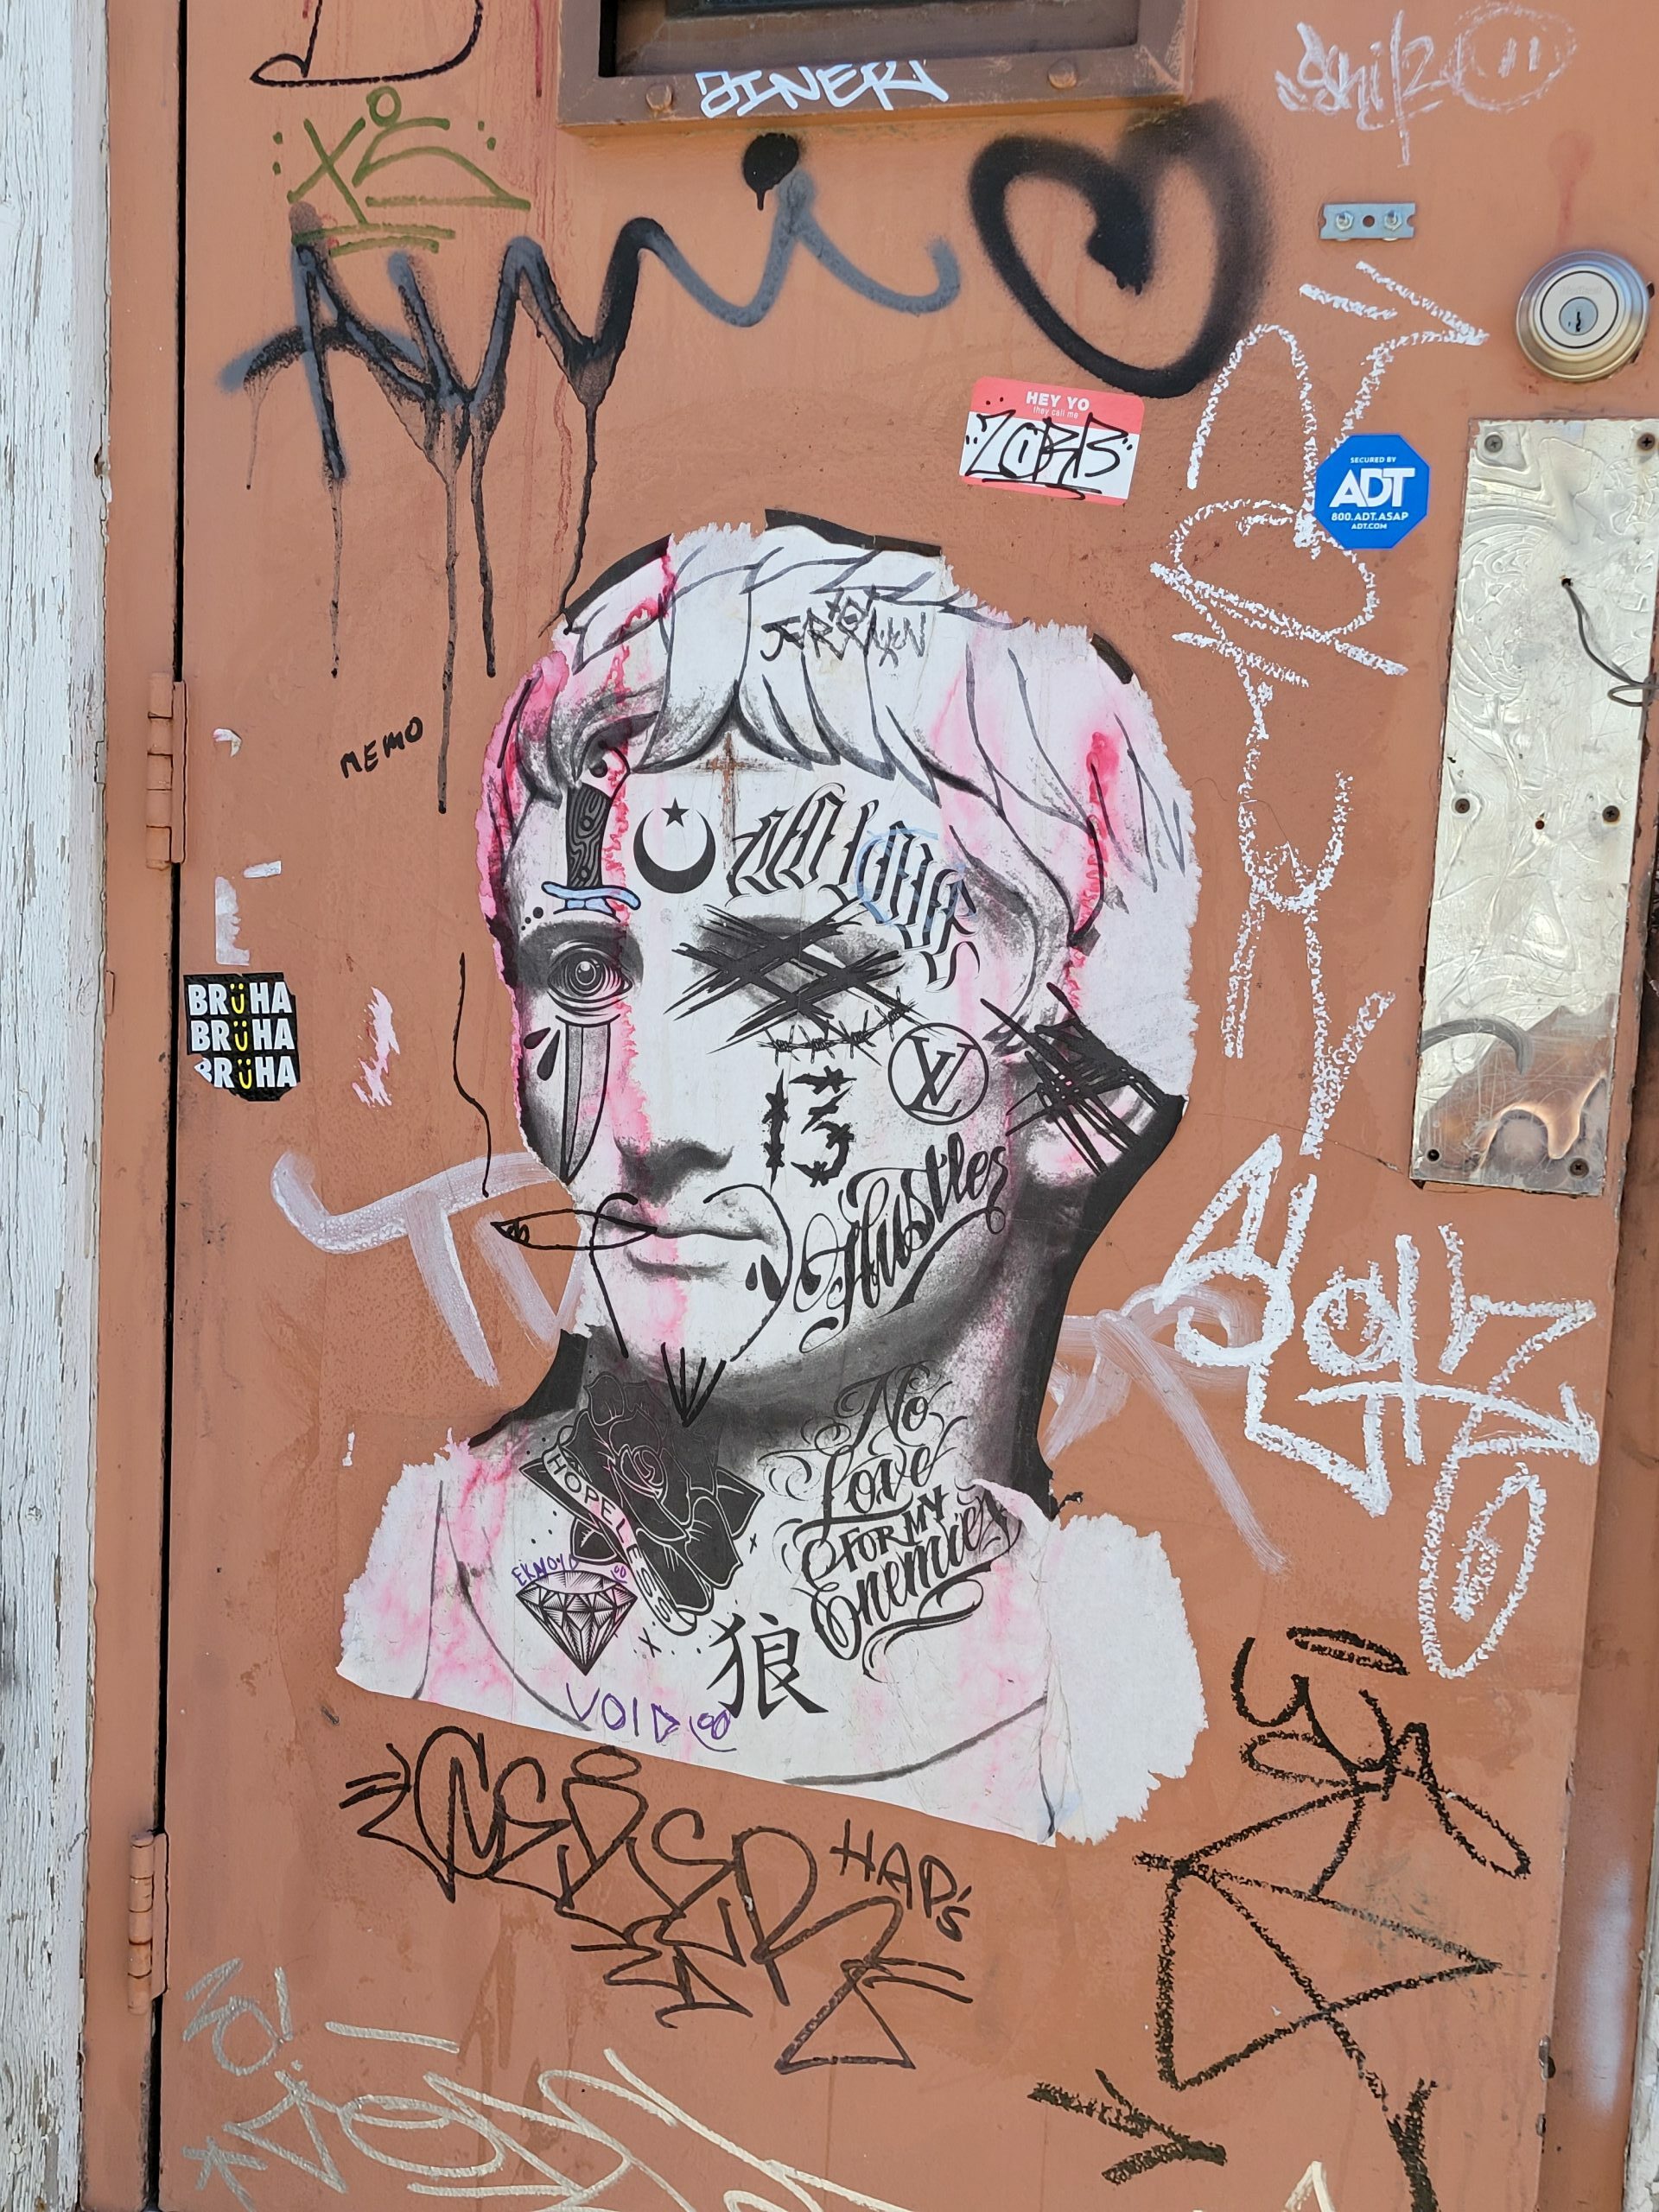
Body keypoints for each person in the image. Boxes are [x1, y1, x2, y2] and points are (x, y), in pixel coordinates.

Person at [343, 518, 1207, 1844]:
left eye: (793, 983)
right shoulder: (408, 1595)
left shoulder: (1118, 1711)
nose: (643, 1119)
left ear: (1083, 1090)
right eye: (583, 974)